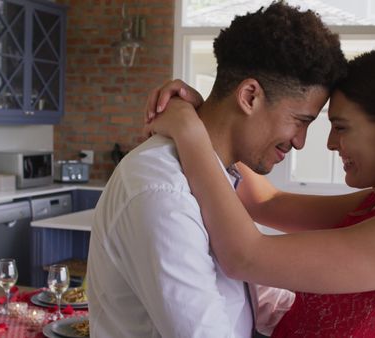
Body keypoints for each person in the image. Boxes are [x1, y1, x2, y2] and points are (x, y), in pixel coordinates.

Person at [145, 47, 375, 337]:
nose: (330, 143)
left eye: (341, 128)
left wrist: (190, 132)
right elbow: (266, 202)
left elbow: (244, 257)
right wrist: (213, 116)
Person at [85, 2, 347, 337]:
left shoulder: (219, 176)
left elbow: (249, 297)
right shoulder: (161, 190)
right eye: (300, 121)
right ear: (249, 96)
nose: (300, 142)